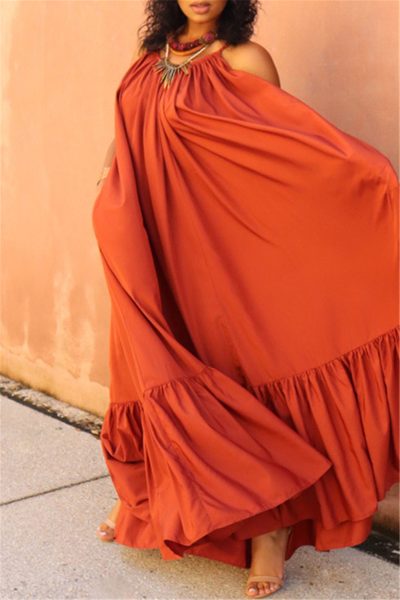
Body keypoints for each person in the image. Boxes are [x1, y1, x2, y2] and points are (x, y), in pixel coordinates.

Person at [91, 1, 399, 598]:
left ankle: (270, 531)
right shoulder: (148, 57)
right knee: (151, 361)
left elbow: (281, 153)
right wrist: (105, 182)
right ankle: (145, 495)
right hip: (149, 240)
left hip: (220, 249)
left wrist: (369, 179)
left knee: (238, 368)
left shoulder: (245, 60)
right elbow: (125, 132)